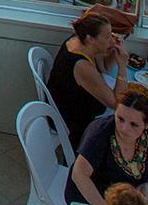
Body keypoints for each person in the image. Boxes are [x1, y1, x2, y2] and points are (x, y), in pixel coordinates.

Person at [46, 12, 127, 149]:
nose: (112, 40)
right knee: (126, 116)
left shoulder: (79, 40)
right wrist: (123, 67)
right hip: (70, 119)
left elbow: (104, 68)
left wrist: (114, 51)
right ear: (91, 39)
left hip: (70, 103)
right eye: (108, 36)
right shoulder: (81, 65)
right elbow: (116, 103)